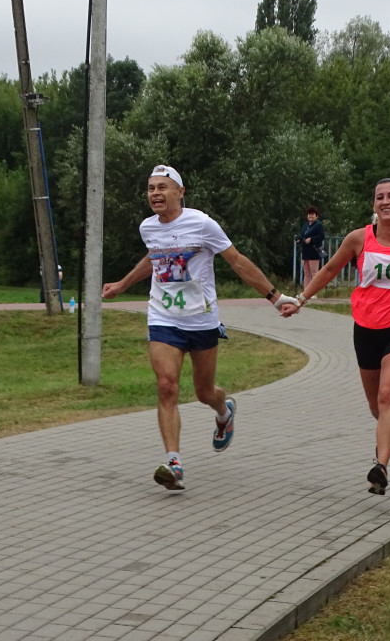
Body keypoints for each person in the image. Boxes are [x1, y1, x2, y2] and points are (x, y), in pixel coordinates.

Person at [101, 164, 297, 492]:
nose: (155, 194)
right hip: (163, 317)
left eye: (163, 187)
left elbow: (236, 260)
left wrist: (275, 297)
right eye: (151, 188)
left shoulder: (202, 224)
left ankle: (224, 411)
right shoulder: (148, 227)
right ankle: (174, 463)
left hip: (201, 319)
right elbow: (155, 257)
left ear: (180, 192)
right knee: (167, 386)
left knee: (205, 392)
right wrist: (122, 284)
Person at [282, 178, 390, 496]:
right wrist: (301, 299)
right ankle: (389, 425)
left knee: (387, 394)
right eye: (380, 197)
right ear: (374, 205)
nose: (386, 201)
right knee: (376, 404)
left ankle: (380, 467)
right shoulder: (358, 239)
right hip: (366, 328)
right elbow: (328, 270)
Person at [295, 205, 325, 298]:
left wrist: (311, 239)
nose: (310, 216)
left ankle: (313, 293)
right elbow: (301, 234)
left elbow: (322, 236)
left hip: (314, 252)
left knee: (314, 273)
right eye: (309, 214)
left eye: (312, 215)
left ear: (316, 216)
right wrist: (298, 238)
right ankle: (305, 293)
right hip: (305, 251)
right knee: (306, 273)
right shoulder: (305, 225)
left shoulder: (318, 225)